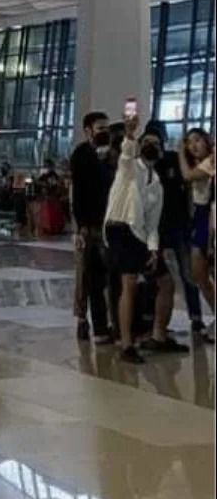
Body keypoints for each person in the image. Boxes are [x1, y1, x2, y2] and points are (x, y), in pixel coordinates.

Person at [104, 113, 174, 362]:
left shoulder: (157, 184)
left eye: (155, 143)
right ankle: (126, 344)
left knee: (166, 282)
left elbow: (153, 222)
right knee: (129, 283)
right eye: (146, 142)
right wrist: (130, 133)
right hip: (121, 228)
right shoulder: (130, 169)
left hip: (141, 234)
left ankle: (159, 336)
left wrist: (153, 249)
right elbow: (126, 154)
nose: (150, 146)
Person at [151, 121, 205, 337]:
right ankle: (153, 319)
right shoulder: (145, 166)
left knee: (189, 273)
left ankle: (196, 316)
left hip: (180, 224)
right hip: (157, 227)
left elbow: (189, 182)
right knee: (157, 275)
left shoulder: (174, 159)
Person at [70, 110, 115, 344]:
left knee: (104, 276)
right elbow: (78, 193)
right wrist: (79, 227)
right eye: (100, 128)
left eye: (107, 128)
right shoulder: (81, 155)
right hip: (88, 225)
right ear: (88, 131)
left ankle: (105, 324)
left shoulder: (112, 155)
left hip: (108, 224)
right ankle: (81, 318)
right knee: (84, 274)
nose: (104, 132)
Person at [177, 127, 216, 341]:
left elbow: (188, 176)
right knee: (199, 274)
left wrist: (180, 153)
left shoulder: (211, 161)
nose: (193, 145)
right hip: (199, 218)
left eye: (197, 140)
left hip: (210, 217)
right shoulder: (201, 162)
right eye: (189, 142)